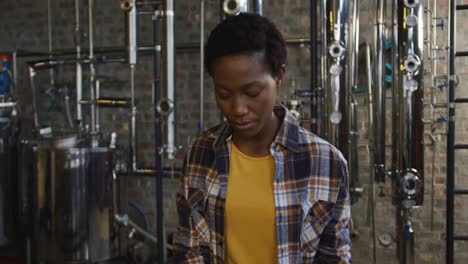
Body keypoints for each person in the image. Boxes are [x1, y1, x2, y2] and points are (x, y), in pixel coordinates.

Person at [173, 13, 351, 264]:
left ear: (279, 76)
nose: (238, 109)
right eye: (224, 94)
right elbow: (188, 248)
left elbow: (334, 257)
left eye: (252, 92)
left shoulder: (326, 162)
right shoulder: (201, 153)